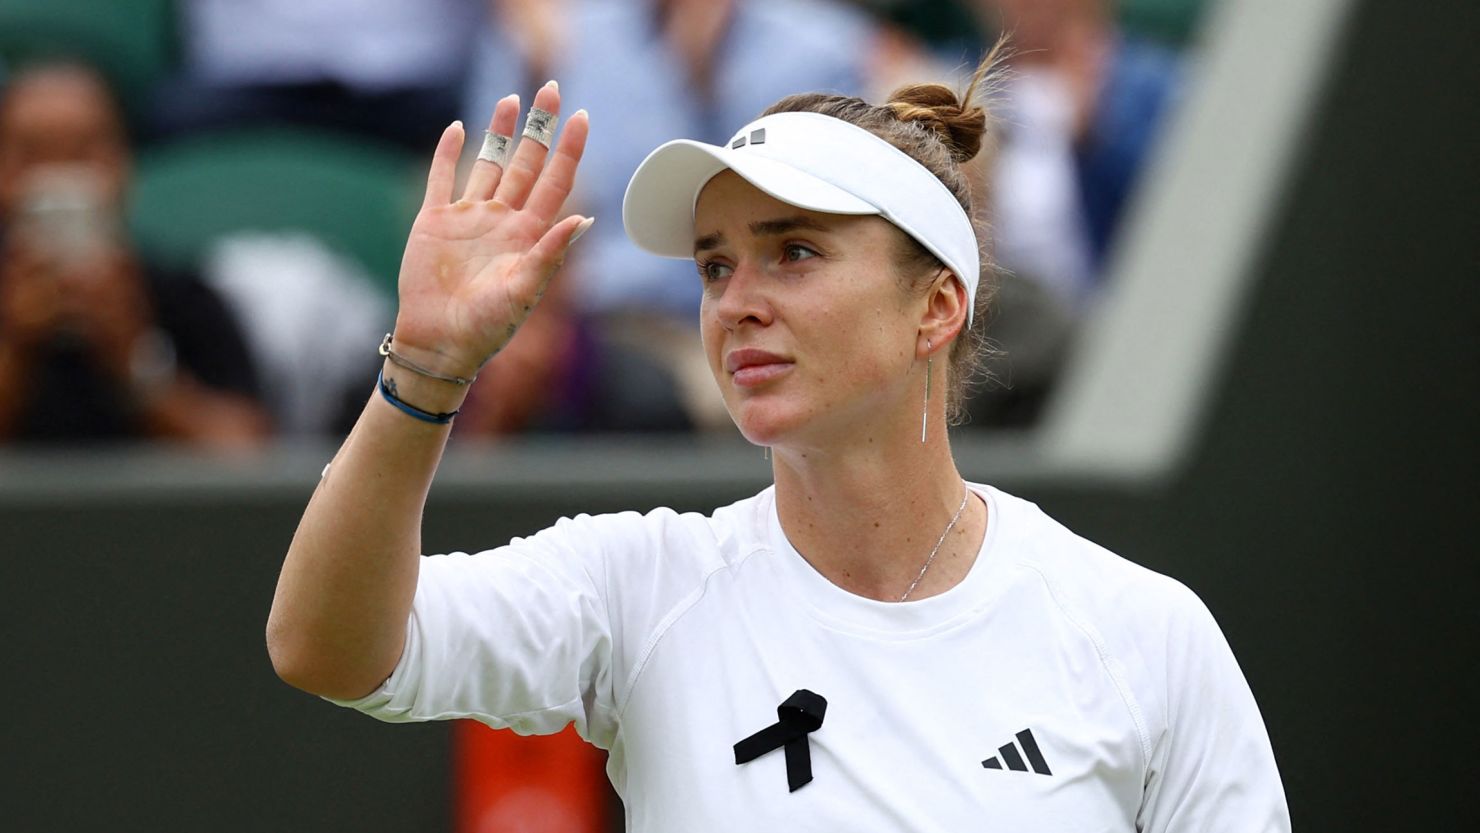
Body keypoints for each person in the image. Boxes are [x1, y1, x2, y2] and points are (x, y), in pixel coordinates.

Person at [267, 56, 1290, 830]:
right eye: (715, 266)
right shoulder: (637, 585)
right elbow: (327, 647)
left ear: (934, 309)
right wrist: (426, 373)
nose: (737, 303)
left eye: (793, 252)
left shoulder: (1143, 634)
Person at [0, 62, 269, 446]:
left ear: (123, 164)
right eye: (33, 154)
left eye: (83, 152)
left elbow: (250, 456)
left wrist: (135, 359)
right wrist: (14, 351)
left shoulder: (184, 295)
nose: (59, 179)